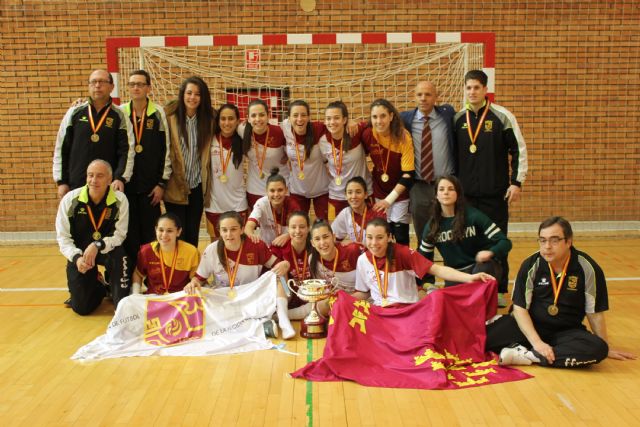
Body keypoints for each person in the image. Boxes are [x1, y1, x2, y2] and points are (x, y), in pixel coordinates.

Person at [486, 217, 637, 367]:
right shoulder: (531, 264)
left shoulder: (587, 268)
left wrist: (606, 346)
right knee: (480, 339)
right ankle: (537, 351)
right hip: (529, 326)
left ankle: (529, 355)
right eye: (542, 240)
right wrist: (538, 343)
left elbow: (594, 312)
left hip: (566, 332)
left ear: (569, 242)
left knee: (598, 349)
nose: (547, 247)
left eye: (554, 240)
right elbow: (519, 309)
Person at [453, 69, 529, 305]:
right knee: (467, 241)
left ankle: (499, 290)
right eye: (468, 87)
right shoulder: (458, 119)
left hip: (494, 195)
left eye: (477, 87)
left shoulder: (502, 117)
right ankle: (470, 288)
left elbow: (518, 149)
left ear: (486, 90)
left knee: (496, 241)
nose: (472, 92)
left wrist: (516, 182)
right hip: (466, 196)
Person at [184, 211, 296, 339]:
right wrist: (193, 283)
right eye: (224, 230)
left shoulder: (256, 245)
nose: (228, 234)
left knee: (279, 276)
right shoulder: (211, 250)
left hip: (251, 297)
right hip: (224, 299)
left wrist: (285, 264)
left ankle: (283, 320)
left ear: (242, 229)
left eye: (233, 229)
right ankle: (262, 327)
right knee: (197, 295)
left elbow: (278, 265)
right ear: (219, 231)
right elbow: (199, 279)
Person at [352, 218, 494, 307]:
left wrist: (470, 278)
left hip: (408, 310)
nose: (374, 243)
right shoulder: (363, 260)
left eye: (379, 237)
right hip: (381, 314)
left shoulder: (403, 253)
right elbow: (364, 293)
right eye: (369, 237)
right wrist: (341, 300)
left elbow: (437, 270)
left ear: (389, 237)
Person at [55, 159, 131, 315]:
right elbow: (63, 239)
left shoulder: (120, 200)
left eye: (100, 176)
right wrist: (76, 258)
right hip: (81, 255)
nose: (94, 180)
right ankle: (99, 285)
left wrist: (97, 245)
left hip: (108, 251)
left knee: (121, 307)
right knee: (81, 308)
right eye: (90, 175)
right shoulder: (70, 200)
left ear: (109, 180)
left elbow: (120, 235)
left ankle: (116, 292)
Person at [418, 175, 512, 288]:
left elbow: (505, 242)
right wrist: (426, 284)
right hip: (455, 275)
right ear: (436, 195)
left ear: (458, 194)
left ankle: (488, 295)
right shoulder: (432, 227)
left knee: (482, 271)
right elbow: (423, 259)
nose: (446, 192)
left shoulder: (474, 216)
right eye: (441, 189)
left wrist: (491, 252)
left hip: (480, 267)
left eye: (451, 189)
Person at [53, 69, 134, 198]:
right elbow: (62, 147)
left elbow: (127, 150)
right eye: (93, 82)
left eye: (102, 81)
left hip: (109, 185)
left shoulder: (120, 115)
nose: (97, 85)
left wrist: (120, 178)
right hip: (77, 183)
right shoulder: (74, 112)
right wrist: (61, 181)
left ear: (112, 87)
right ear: (88, 86)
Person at [120, 70, 172, 266]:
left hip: (151, 189)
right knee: (128, 234)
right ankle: (130, 278)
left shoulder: (158, 113)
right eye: (132, 84)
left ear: (148, 88)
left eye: (140, 84)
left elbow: (166, 149)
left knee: (151, 235)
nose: (136, 87)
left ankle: (154, 277)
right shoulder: (120, 112)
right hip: (127, 187)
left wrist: (162, 183)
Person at [400, 81, 456, 244]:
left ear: (436, 97)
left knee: (450, 232)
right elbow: (380, 120)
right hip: (419, 185)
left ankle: (452, 265)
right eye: (419, 94)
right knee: (423, 234)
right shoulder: (405, 119)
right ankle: (424, 265)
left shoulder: (448, 114)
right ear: (414, 97)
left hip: (445, 182)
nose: (423, 98)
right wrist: (356, 124)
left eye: (428, 94)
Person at [164, 76, 215, 248]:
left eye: (197, 94)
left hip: (197, 185)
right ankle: (176, 272)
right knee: (176, 232)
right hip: (175, 185)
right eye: (189, 93)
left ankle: (191, 271)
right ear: (182, 94)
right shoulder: (169, 116)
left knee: (192, 233)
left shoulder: (209, 120)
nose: (192, 97)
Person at [361, 99, 414, 245]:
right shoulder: (367, 134)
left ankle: (404, 267)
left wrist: (389, 200)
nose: (379, 121)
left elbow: (408, 174)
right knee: (382, 234)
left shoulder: (403, 136)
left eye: (383, 116)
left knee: (401, 235)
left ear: (391, 116)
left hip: (399, 192)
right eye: (375, 117)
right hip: (378, 191)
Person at [318, 101, 373, 219]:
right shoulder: (322, 141)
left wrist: (353, 121)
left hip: (362, 193)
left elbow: (372, 122)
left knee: (367, 232)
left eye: (336, 118)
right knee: (335, 234)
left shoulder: (355, 132)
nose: (332, 122)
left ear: (344, 120)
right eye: (328, 118)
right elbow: (324, 161)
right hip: (337, 195)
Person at [204, 103, 249, 240]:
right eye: (223, 119)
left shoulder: (243, 140)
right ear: (218, 121)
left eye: (231, 118)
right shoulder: (209, 140)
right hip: (214, 203)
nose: (227, 123)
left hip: (238, 202)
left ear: (237, 121)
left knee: (239, 242)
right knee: (215, 243)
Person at [281, 100, 331, 220]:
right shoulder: (284, 129)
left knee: (324, 225)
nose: (299, 119)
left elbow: (336, 125)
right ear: (289, 118)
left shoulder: (318, 129)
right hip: (297, 191)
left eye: (303, 115)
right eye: (295, 115)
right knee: (298, 225)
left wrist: (350, 121)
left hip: (322, 190)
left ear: (309, 117)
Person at [131, 212, 200, 295]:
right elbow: (138, 274)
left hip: (181, 297)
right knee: (125, 303)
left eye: (169, 231)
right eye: (161, 230)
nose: (164, 235)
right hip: (154, 298)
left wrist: (193, 283)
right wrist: (135, 294)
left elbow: (197, 277)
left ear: (178, 232)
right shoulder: (146, 251)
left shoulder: (191, 251)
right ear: (155, 230)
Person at [240, 99, 289, 207]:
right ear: (248, 118)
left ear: (268, 116)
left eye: (262, 115)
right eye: (253, 115)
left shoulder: (279, 132)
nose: (257, 119)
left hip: (280, 187)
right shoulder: (242, 130)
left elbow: (292, 152)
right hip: (255, 188)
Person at [309, 219, 363, 317]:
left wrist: (344, 300)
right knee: (319, 307)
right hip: (334, 304)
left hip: (358, 301)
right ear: (312, 243)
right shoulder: (313, 260)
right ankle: (279, 317)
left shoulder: (352, 251)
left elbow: (367, 290)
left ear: (333, 237)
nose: (322, 242)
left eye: (326, 237)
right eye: (317, 239)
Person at [269, 211, 313, 318]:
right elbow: (271, 276)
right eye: (293, 227)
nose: (297, 231)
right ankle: (282, 314)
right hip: (287, 294)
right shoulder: (278, 247)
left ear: (308, 228)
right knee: (281, 271)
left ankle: (280, 317)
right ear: (288, 229)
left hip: (311, 296)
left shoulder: (315, 247)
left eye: (302, 227)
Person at [244, 168, 302, 247]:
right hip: (267, 247)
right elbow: (248, 226)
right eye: (272, 191)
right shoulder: (261, 204)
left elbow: (301, 229)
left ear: (286, 190)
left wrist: (288, 236)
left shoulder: (293, 205)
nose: (276, 194)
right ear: (266, 191)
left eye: (280, 190)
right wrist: (252, 236)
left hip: (288, 246)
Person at [331, 176, 385, 246]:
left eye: (358, 192)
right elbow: (332, 238)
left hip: (374, 252)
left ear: (366, 195)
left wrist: (356, 244)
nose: (353, 196)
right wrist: (342, 245)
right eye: (350, 192)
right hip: (356, 254)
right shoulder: (345, 213)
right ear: (345, 196)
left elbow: (382, 242)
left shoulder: (377, 212)